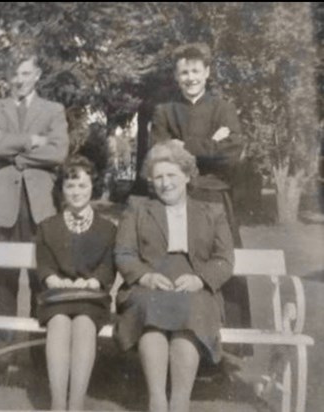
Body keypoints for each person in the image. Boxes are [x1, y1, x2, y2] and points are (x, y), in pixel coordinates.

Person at [115, 140, 234, 412]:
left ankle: (180, 401)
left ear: (187, 176)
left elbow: (225, 259)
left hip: (194, 282)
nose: (165, 183)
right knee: (149, 309)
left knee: (191, 310)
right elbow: (124, 253)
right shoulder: (138, 207)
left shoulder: (211, 210)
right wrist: (144, 277)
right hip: (151, 280)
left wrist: (201, 280)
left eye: (171, 175)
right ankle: (156, 399)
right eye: (158, 177)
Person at [150, 43, 250, 333]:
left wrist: (188, 146)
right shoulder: (165, 112)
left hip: (216, 199)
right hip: (177, 201)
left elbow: (232, 152)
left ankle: (231, 340)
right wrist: (211, 144)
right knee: (178, 266)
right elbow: (162, 155)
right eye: (184, 72)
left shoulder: (223, 108)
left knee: (223, 265)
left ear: (207, 72)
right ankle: (177, 336)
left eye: (196, 71)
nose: (190, 77)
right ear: (176, 76)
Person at [0, 53, 69, 325]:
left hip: (41, 205)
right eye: (14, 74)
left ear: (37, 75)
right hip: (3, 204)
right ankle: (5, 357)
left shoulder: (53, 110)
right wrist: (30, 140)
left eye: (26, 74)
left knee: (42, 277)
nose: (19, 80)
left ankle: (38, 355)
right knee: (4, 280)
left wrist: (13, 153)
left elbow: (58, 152)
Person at [36, 155, 116, 411]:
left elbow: (107, 265)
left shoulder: (107, 228)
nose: (77, 192)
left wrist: (95, 281)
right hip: (57, 297)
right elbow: (44, 262)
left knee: (83, 324)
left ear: (93, 187)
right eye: (70, 186)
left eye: (82, 186)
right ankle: (58, 403)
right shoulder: (48, 227)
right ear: (62, 190)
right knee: (59, 324)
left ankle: (77, 402)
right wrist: (53, 279)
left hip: (90, 299)